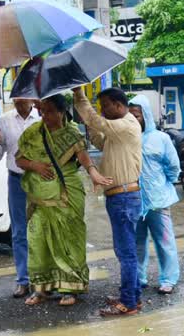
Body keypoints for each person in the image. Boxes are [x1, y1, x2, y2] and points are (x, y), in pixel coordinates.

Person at [15, 94, 112, 306]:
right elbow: (19, 159)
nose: (46, 116)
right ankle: (41, 288)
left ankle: (70, 288)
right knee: (38, 241)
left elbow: (84, 157)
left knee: (69, 240)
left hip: (67, 193)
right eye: (43, 111)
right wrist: (35, 166)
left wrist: (94, 173)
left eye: (50, 111)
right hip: (39, 197)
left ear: (61, 112)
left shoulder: (72, 133)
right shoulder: (33, 134)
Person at [72, 86, 143, 317]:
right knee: (126, 251)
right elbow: (101, 141)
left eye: (105, 106)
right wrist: (89, 126)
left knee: (126, 253)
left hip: (123, 197)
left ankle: (128, 303)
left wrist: (79, 95)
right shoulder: (119, 131)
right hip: (120, 196)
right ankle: (132, 296)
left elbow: (96, 121)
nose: (102, 111)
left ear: (119, 105)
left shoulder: (126, 125)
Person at [0, 98, 40, 298]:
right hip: (16, 180)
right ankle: (23, 279)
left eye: (22, 95)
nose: (18, 100)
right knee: (19, 232)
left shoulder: (41, 116)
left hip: (39, 180)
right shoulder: (4, 119)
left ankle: (41, 277)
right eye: (15, 96)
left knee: (41, 228)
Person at [128, 95, 181, 295]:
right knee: (137, 242)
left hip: (158, 200)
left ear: (146, 115)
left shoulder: (161, 138)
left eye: (137, 115)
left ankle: (168, 279)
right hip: (134, 200)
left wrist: (162, 185)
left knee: (164, 241)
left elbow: (173, 167)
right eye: (130, 115)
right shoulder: (128, 137)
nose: (134, 119)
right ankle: (139, 278)